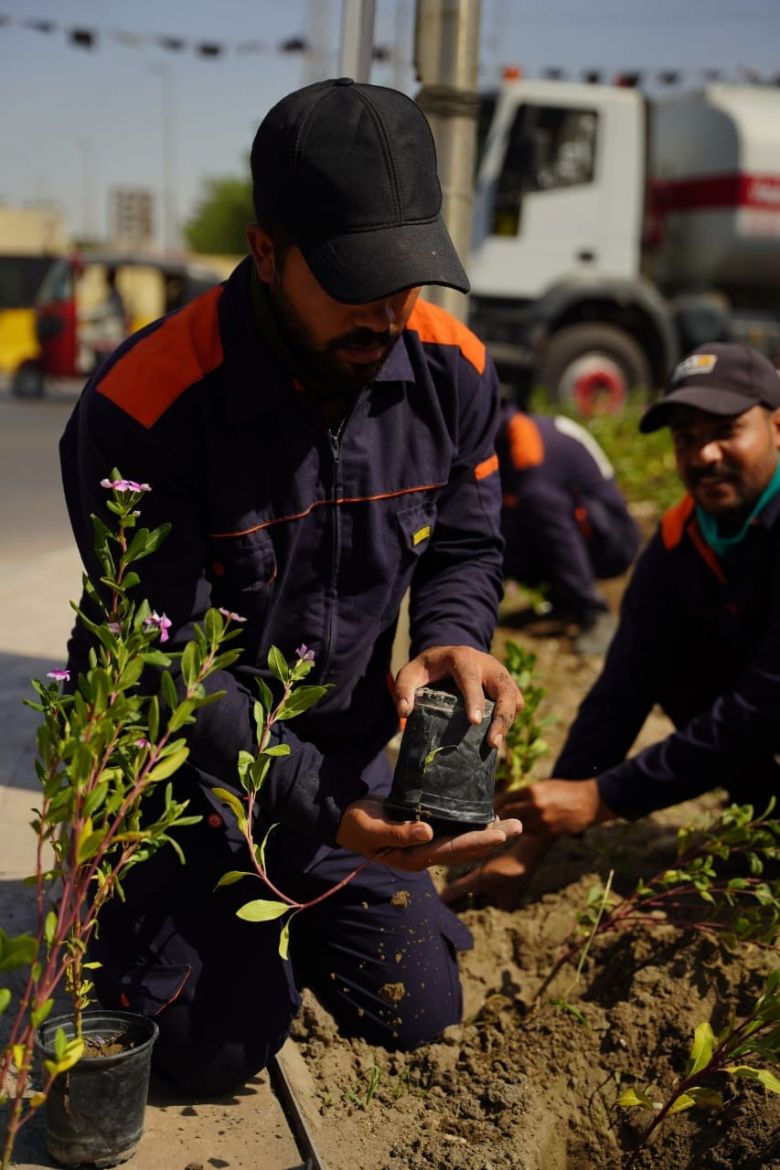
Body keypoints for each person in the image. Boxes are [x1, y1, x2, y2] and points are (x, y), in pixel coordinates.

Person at [59, 78, 522, 1094]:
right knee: (204, 1053)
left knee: (418, 1009)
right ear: (264, 250)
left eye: (407, 275)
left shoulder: (452, 368)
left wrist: (453, 632)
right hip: (181, 786)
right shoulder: (144, 407)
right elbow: (169, 658)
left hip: (342, 767)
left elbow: (467, 546)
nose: (387, 310)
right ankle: (174, 928)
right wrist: (316, 803)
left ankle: (285, 927)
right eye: (354, 277)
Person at [443, 341, 780, 910]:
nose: (704, 454)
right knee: (667, 662)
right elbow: (620, 692)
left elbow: (763, 705)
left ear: (777, 425)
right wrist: (537, 837)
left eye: (725, 430)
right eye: (686, 438)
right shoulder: (677, 545)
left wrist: (603, 798)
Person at [496, 404, 640, 654]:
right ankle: (563, 600)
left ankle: (594, 611)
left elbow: (555, 525)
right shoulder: (514, 429)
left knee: (536, 501)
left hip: (612, 540)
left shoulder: (527, 443)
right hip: (590, 527)